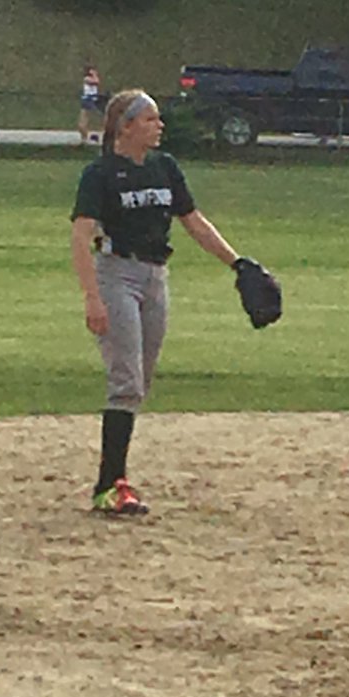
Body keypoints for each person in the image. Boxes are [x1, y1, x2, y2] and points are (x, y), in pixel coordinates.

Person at [70, 88, 246, 516]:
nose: (159, 125)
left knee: (140, 381)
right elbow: (81, 235)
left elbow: (194, 222)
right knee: (126, 380)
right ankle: (110, 485)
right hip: (117, 276)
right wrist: (93, 298)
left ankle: (114, 481)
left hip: (155, 277)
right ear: (126, 126)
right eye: (149, 119)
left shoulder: (165, 168)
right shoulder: (101, 174)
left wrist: (238, 263)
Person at [78, 63, 102, 145]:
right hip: (87, 100)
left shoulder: (91, 78)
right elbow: (96, 81)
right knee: (84, 120)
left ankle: (89, 137)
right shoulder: (87, 79)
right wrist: (94, 74)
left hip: (92, 99)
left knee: (91, 119)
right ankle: (84, 137)